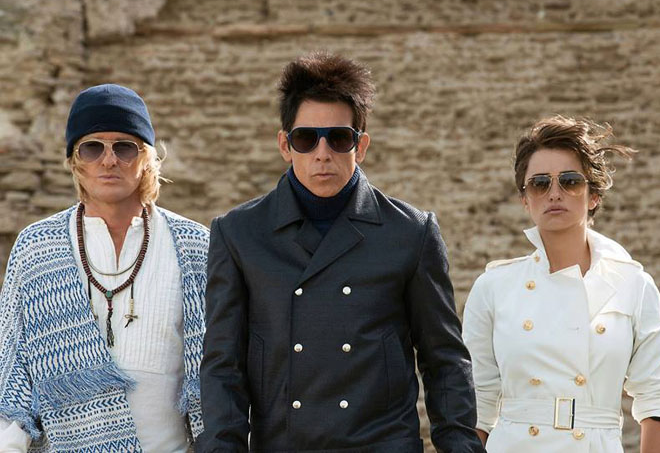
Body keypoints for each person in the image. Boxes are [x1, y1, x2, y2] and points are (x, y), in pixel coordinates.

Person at [197, 52, 483, 453]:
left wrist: (460, 447)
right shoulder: (239, 233)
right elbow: (222, 366)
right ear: (284, 145)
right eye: (305, 138)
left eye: (339, 137)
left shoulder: (410, 233)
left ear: (360, 145)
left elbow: (444, 359)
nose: (322, 153)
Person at [0, 84, 209, 452]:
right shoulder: (36, 249)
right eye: (92, 148)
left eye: (124, 147)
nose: (109, 160)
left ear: (146, 157)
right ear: (74, 160)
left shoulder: (196, 247)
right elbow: (12, 378)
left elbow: (222, 374)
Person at [463, 115, 660, 452]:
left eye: (570, 181)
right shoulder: (493, 288)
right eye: (539, 184)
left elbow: (655, 397)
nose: (555, 193)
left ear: (593, 195)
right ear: (525, 199)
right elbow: (477, 404)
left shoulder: (633, 286)